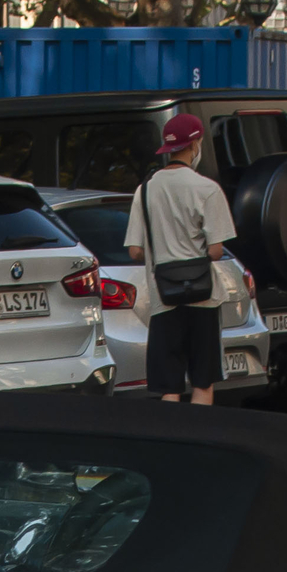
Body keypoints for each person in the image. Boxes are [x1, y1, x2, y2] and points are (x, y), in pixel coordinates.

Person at [123, 112, 237, 406]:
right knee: (203, 379)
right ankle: (199, 441)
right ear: (195, 144)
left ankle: (171, 442)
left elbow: (134, 251)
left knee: (168, 385)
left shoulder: (145, 190)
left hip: (164, 297)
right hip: (204, 298)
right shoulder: (207, 189)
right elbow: (216, 250)